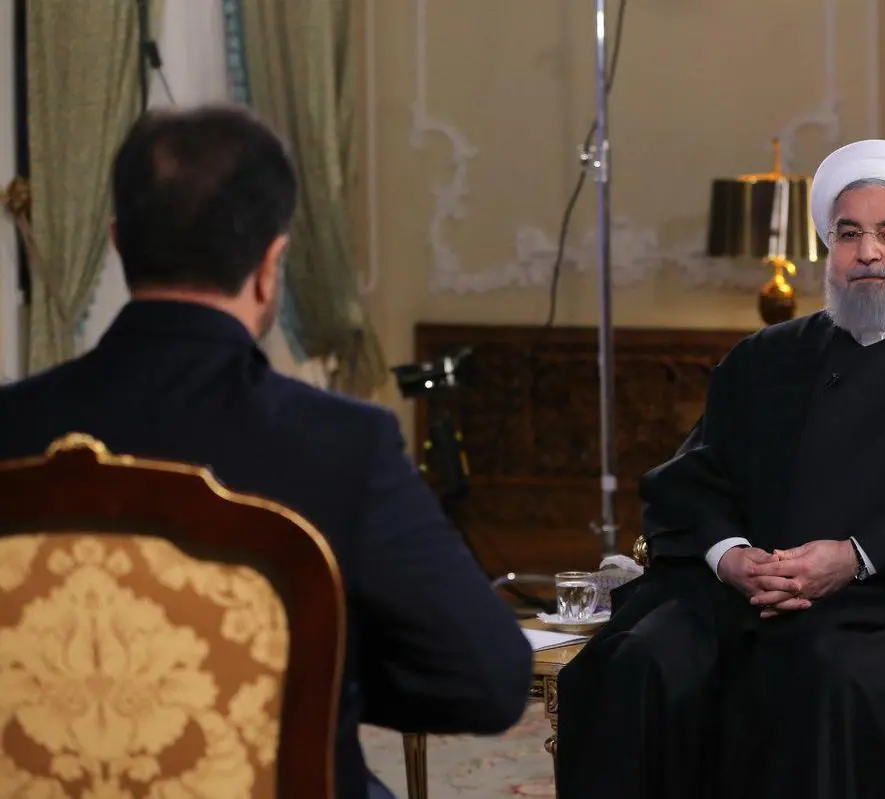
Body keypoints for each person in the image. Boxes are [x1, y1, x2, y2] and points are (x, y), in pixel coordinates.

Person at [0, 105, 533, 799]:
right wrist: (310, 664)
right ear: (270, 264)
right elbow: (489, 680)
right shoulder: (343, 446)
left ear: (117, 244)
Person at [553, 139, 885, 799]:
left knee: (823, 675)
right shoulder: (765, 356)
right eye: (849, 233)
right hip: (738, 591)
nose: (868, 252)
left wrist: (856, 555)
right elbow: (692, 480)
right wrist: (728, 555)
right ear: (829, 247)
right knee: (638, 660)